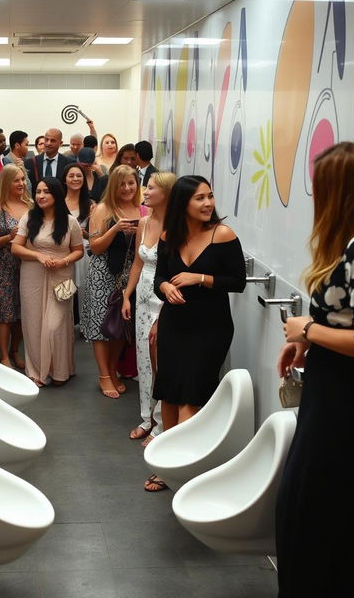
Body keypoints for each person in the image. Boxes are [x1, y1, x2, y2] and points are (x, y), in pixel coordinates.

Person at [275, 138, 354, 597]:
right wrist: (308, 344)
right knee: (310, 514)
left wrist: (306, 333)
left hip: (345, 406)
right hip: (332, 393)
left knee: (317, 517)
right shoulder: (352, 244)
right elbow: (346, 319)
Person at [148, 175, 246, 491]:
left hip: (210, 328)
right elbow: (160, 278)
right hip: (175, 325)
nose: (208, 203)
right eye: (199, 198)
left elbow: (237, 281)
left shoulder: (223, 234)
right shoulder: (168, 236)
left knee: (193, 395)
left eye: (210, 196)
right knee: (170, 394)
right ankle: (169, 462)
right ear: (182, 204)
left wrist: (199, 278)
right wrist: (165, 286)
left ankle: (178, 467)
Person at [81, 165, 146, 398]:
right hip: (102, 272)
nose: (127, 188)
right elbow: (96, 247)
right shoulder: (103, 209)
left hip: (130, 273)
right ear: (113, 186)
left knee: (120, 325)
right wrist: (116, 229)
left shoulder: (142, 209)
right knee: (100, 325)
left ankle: (112, 370)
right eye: (122, 184)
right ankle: (103, 375)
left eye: (131, 183)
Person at [121, 172, 176, 445]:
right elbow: (137, 264)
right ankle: (147, 418)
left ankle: (162, 425)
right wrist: (126, 296)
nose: (145, 191)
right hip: (142, 295)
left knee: (162, 362)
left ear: (166, 193)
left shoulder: (178, 227)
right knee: (144, 361)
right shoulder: (144, 222)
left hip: (165, 300)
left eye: (151, 187)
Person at [12, 178, 83, 386]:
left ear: (57, 195)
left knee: (56, 326)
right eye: (38, 192)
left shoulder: (70, 222)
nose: (41, 196)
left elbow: (78, 250)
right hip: (32, 276)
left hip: (61, 277)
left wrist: (64, 261)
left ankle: (60, 370)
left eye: (46, 192)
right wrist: (38, 256)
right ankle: (36, 372)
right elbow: (15, 248)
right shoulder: (29, 217)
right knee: (33, 324)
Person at [0, 164, 32, 368]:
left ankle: (16, 350)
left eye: (23, 179)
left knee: (23, 313)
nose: (22, 183)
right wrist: (8, 237)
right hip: (5, 267)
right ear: (6, 182)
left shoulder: (30, 204)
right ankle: (4, 355)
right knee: (6, 313)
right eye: (17, 180)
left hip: (28, 266)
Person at [63, 162, 93, 324]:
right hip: (63, 253)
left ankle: (85, 325)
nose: (75, 179)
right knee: (65, 289)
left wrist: (86, 233)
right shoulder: (58, 202)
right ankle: (65, 323)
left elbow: (96, 235)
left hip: (85, 252)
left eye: (79, 176)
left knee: (84, 290)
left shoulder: (91, 205)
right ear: (65, 179)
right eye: (71, 175)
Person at [25, 128, 74, 192]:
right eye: (46, 140)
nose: (48, 143)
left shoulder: (69, 164)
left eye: (52, 141)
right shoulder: (30, 163)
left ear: (60, 143)